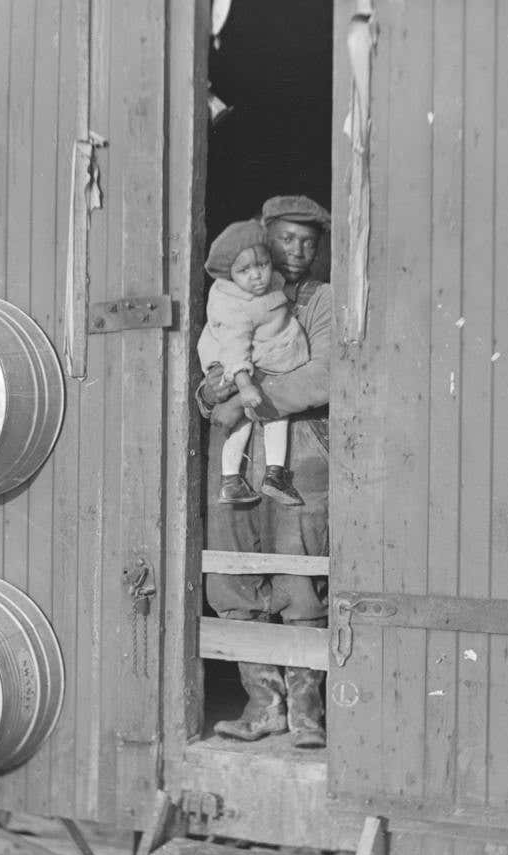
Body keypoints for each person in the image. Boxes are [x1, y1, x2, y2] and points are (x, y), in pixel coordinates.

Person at [198, 195, 332, 749]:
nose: (296, 250)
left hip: (302, 452)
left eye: (308, 240)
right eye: (286, 239)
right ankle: (263, 708)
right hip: (237, 455)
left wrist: (248, 403)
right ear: (262, 238)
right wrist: (212, 395)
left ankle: (306, 714)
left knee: (300, 580)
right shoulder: (228, 295)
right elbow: (210, 369)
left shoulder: (322, 301)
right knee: (233, 576)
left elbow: (325, 373)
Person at [197, 219, 309, 506]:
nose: (257, 276)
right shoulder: (232, 304)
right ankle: (242, 478)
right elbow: (234, 352)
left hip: (264, 366)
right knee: (259, 417)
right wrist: (244, 387)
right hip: (244, 370)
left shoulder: (273, 286)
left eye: (263, 265)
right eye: (245, 270)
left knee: (264, 415)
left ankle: (260, 476)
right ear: (229, 273)